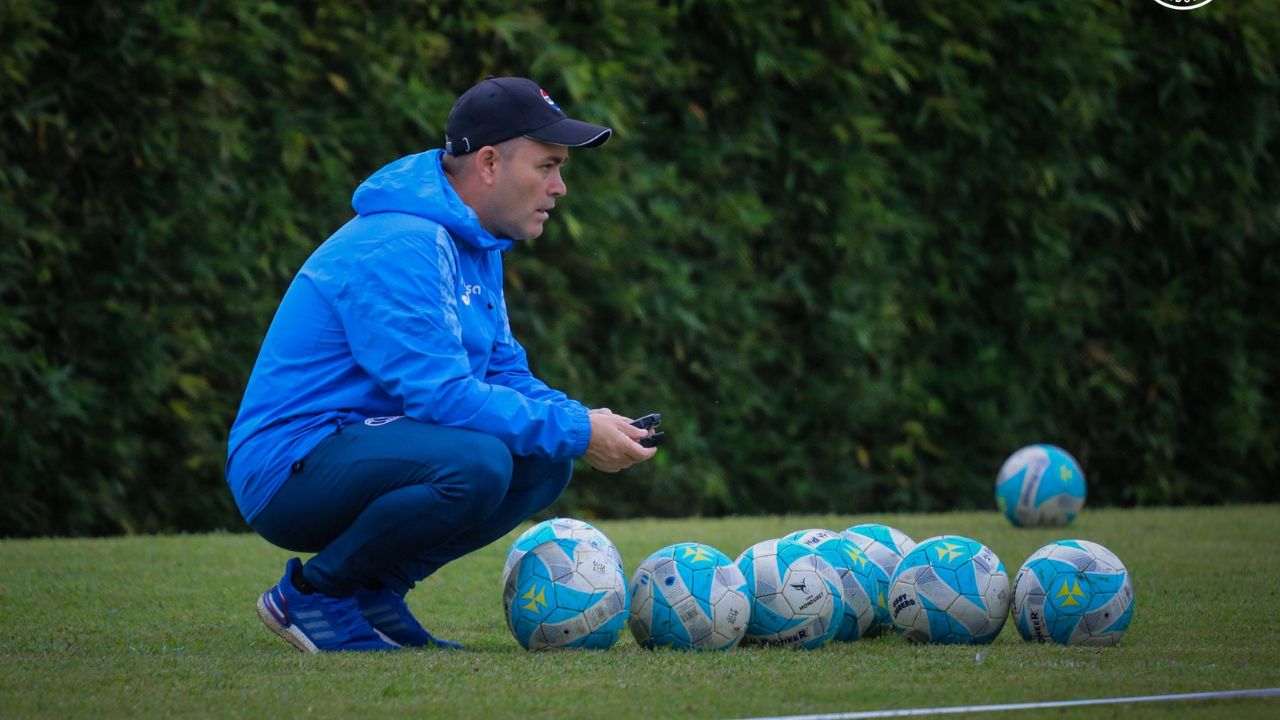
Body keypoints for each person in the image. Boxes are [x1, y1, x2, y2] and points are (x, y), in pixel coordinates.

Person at [225, 76, 658, 653]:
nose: (560, 187)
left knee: (543, 462)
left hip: (358, 449)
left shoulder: (474, 244)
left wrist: (585, 421)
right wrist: (579, 430)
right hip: (287, 467)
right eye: (547, 166)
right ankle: (314, 595)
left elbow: (505, 376)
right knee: (478, 462)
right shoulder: (405, 243)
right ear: (487, 163)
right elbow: (443, 396)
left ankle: (373, 595)